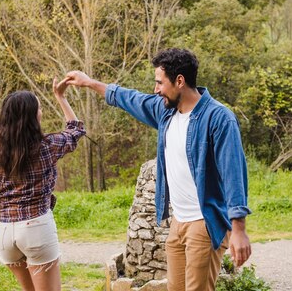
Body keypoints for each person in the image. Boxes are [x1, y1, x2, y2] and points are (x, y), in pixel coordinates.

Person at [65, 48, 251, 291]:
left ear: (180, 81)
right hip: (179, 221)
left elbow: (233, 174)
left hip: (204, 221)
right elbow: (129, 98)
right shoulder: (166, 112)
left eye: (159, 83)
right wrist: (90, 83)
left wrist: (239, 230)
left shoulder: (218, 118)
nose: (156, 89)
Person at [0, 78, 85, 291]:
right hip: (37, 229)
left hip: (5, 233)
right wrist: (61, 96)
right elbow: (76, 130)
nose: (41, 112)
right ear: (33, 117)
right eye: (39, 108)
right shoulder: (47, 146)